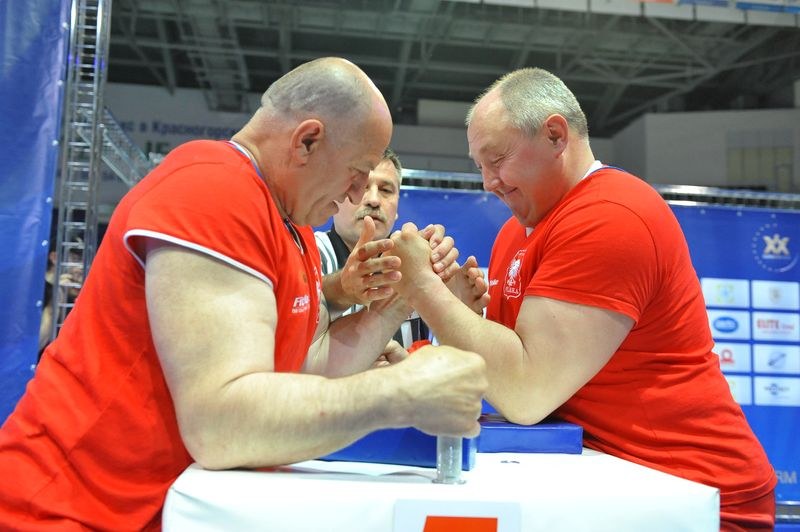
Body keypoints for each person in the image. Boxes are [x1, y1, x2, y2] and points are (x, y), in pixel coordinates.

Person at [0, 57, 487, 530]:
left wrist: (398, 302)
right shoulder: (213, 189)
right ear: (308, 141)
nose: (358, 196)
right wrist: (402, 393)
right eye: (357, 175)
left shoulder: (291, 229)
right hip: (62, 511)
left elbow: (304, 368)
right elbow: (220, 423)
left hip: (146, 510)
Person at [387, 67, 776, 531]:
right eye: (479, 166)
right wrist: (464, 313)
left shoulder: (611, 215)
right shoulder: (517, 232)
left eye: (498, 159)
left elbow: (527, 392)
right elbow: (509, 372)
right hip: (609, 480)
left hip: (692, 492)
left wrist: (424, 290)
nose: (489, 181)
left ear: (554, 134)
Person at [315, 147, 448, 350]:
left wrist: (456, 297)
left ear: (396, 209)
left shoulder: (421, 262)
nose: (374, 200)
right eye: (362, 187)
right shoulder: (309, 254)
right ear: (337, 197)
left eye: (386, 190)